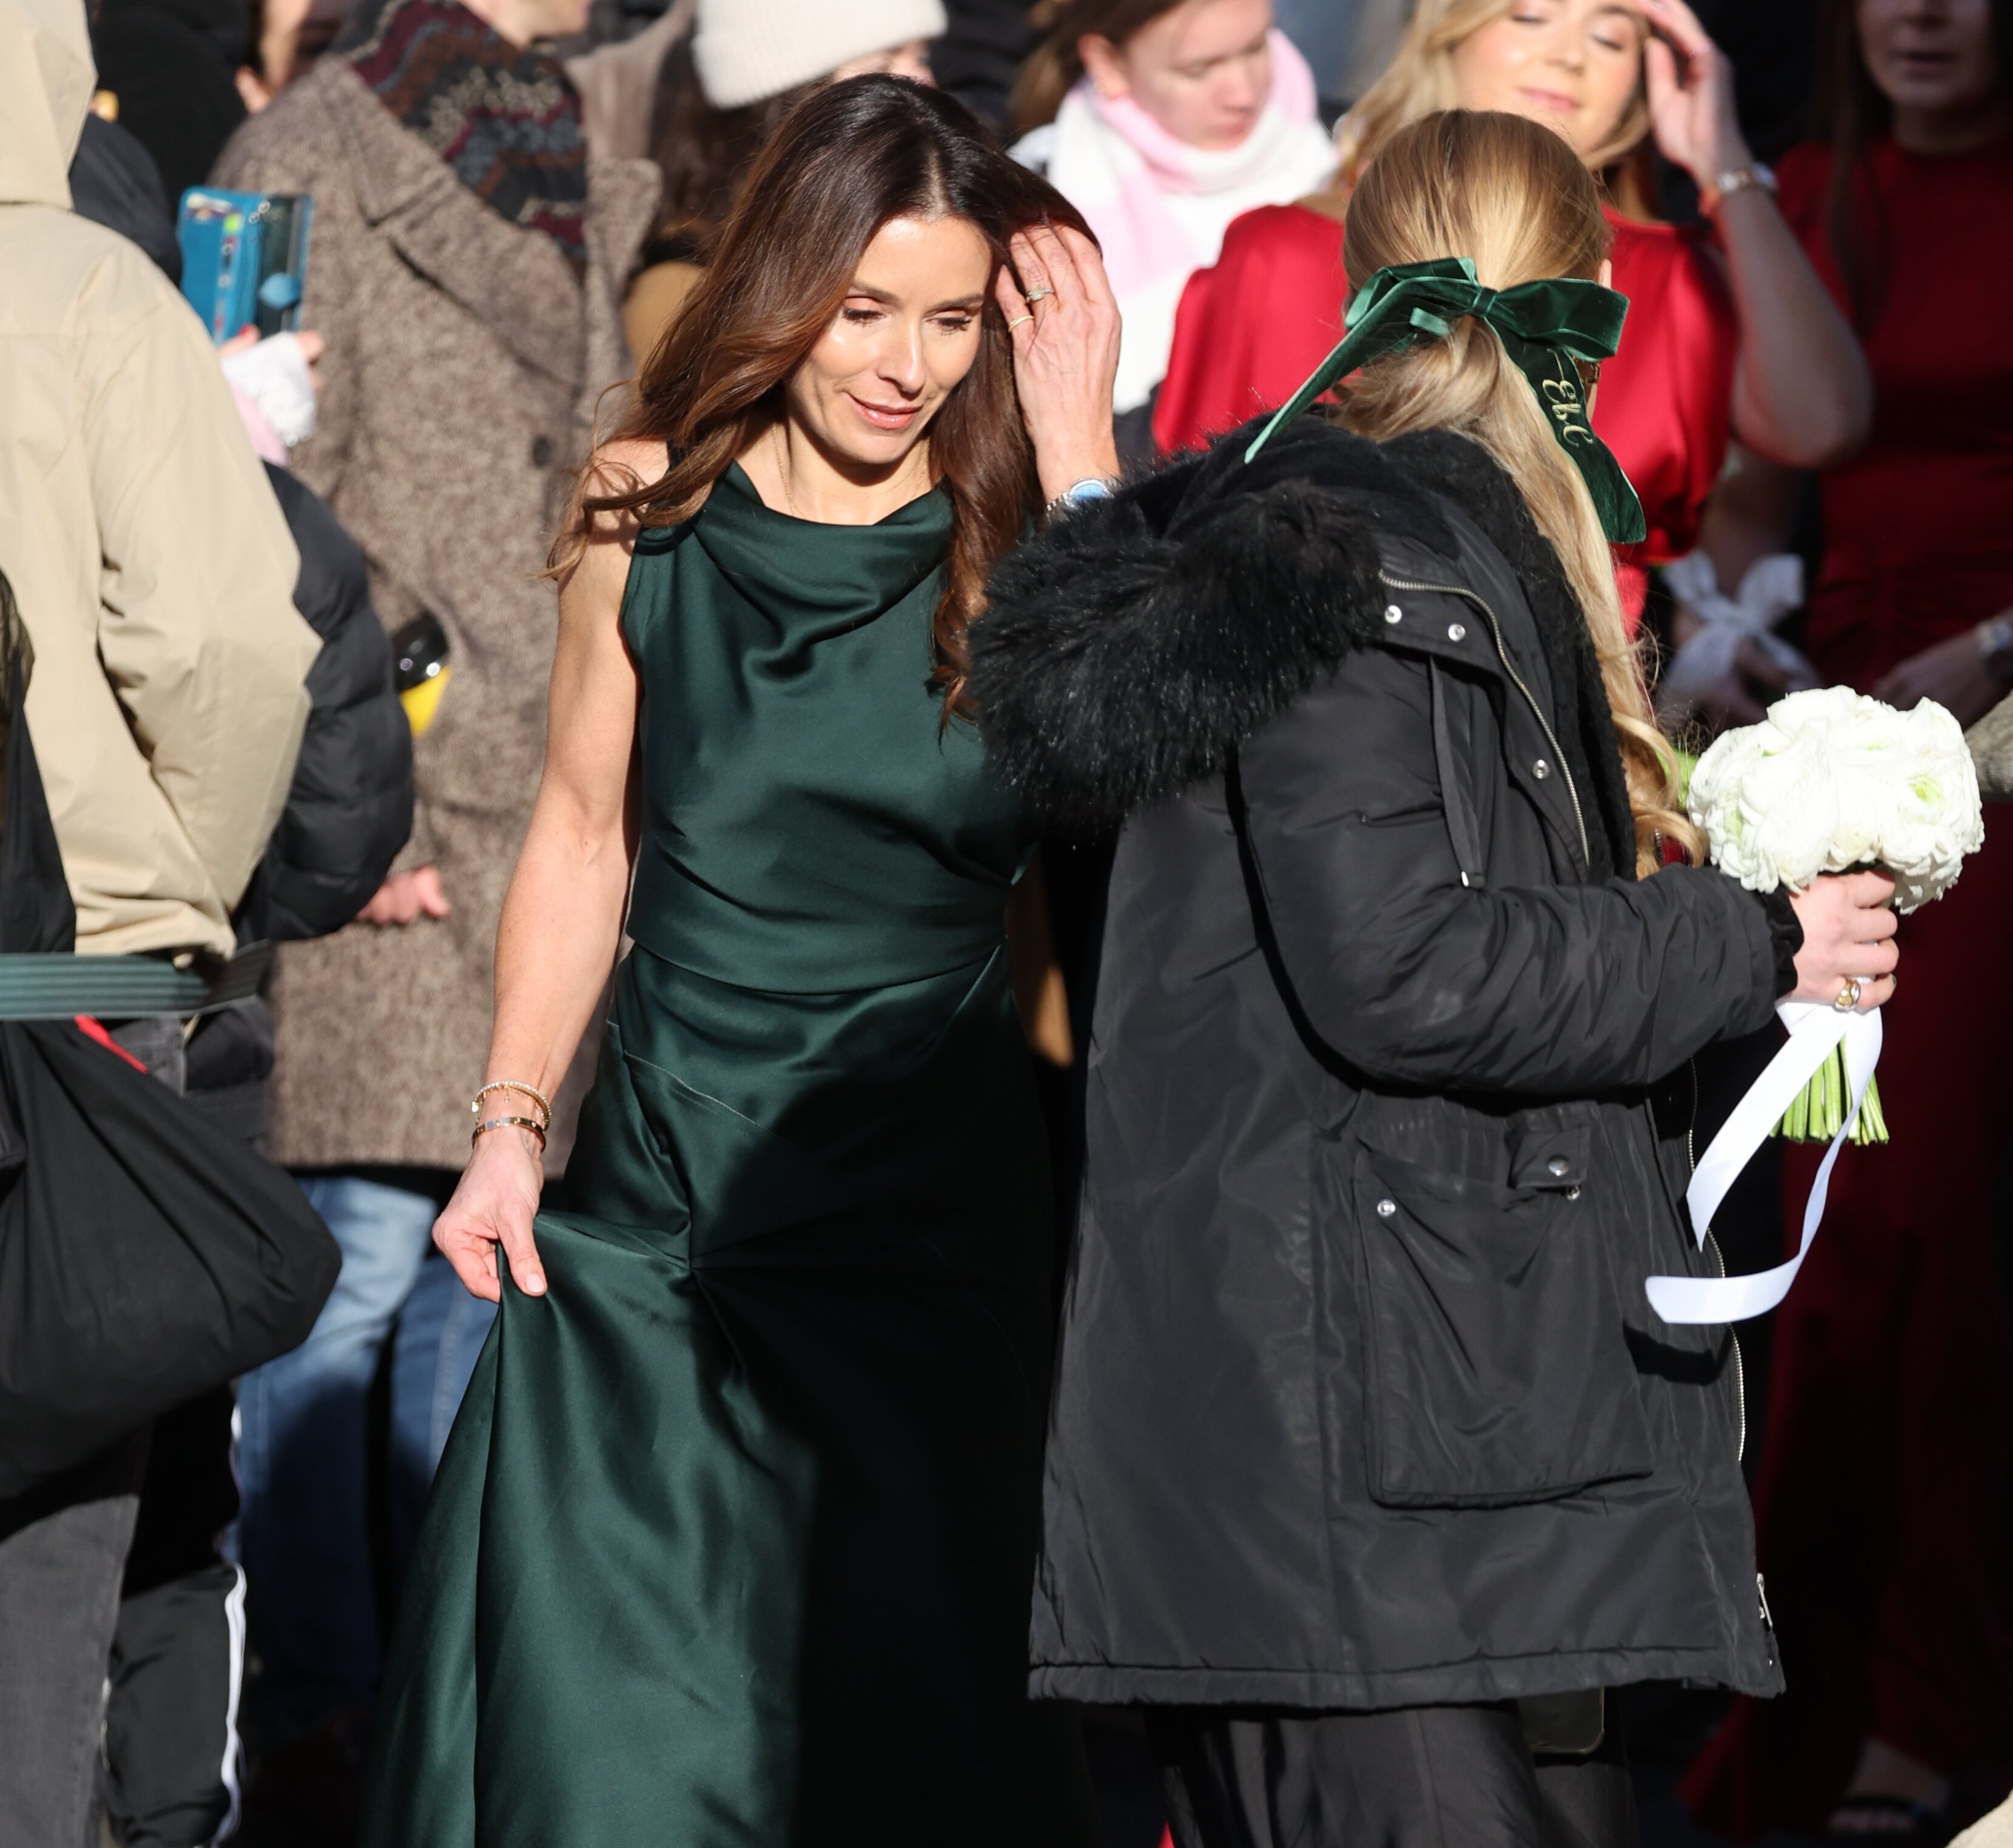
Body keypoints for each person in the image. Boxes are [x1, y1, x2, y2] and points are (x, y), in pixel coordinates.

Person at [968, 108, 1903, 1846]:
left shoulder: (1414, 543)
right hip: (1335, 1463)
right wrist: (1750, 940)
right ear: (1589, 304)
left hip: (1440, 1430)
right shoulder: (1352, 552)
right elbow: (1397, 966)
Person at [358, 74, 1117, 1846]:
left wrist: (1090, 467)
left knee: (896, 1712)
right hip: (662, 1200)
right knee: (622, 1721)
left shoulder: (1022, 527)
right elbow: (582, 830)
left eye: (947, 318)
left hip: (935, 1203)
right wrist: (509, 1121)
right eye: (865, 311)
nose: (905, 362)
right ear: (784, 287)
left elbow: (1154, 787)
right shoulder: (649, 506)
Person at [205, 0, 658, 1826]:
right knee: (356, 1275)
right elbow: (252, 479)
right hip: (403, 793)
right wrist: (337, 790)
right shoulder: (309, 147)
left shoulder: (555, 129)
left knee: (480, 1275)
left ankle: (446, 1703)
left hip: (550, 781)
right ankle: (329, 1697)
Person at [1678, 0, 2013, 1836]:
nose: (1926, 13)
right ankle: (1793, 1691)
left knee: (1930, 1221)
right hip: (1838, 761)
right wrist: (1730, 649)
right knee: (1821, 1214)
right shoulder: (1807, 189)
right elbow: (1752, 478)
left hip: (1998, 753)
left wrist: (1993, 655)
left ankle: (1926, 1705)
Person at [0, 0, 325, 1840]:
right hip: (70, 989)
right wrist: (168, 890)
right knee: (60, 1536)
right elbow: (225, 644)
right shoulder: (91, 292)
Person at [1151, 0, 1870, 642]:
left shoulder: (1667, 277)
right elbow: (1180, 520)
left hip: (1564, 731)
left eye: (1612, 37)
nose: (1570, 54)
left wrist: (1725, 162)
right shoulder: (1275, 251)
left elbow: (1823, 424)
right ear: (1448, 32)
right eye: (1531, 16)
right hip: (1293, 710)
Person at [1009, 0, 1337, 458]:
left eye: (1256, 47)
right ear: (1107, 62)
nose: (1243, 92)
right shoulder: (1031, 204)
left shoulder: (1350, 153)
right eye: (1199, 70)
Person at [625, 0, 944, 358]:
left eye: (922, 57)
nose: (926, 87)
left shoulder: (931, 223)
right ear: (787, 101)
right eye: (882, 66)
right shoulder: (682, 292)